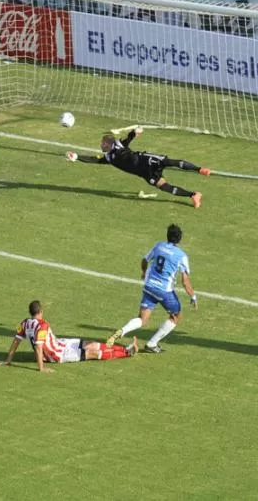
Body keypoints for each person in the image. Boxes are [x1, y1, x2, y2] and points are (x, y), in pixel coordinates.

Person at [105, 223, 198, 354]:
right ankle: (152, 344)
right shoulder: (181, 255)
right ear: (180, 239)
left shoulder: (159, 246)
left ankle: (122, 331)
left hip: (149, 287)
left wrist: (144, 273)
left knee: (142, 320)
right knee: (176, 315)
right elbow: (185, 281)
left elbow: (144, 260)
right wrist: (193, 296)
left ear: (167, 236)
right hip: (164, 291)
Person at [65, 128, 210, 208]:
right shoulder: (108, 158)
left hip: (146, 160)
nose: (103, 146)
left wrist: (135, 132)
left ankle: (199, 169)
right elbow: (93, 160)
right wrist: (77, 157)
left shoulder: (120, 145)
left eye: (105, 144)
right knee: (166, 187)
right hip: (145, 173)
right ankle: (194, 195)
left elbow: (128, 138)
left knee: (171, 162)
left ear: (110, 144)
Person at [0, 300, 138, 373]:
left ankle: (126, 348)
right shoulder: (42, 325)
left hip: (61, 344)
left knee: (90, 343)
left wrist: (8, 360)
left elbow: (16, 341)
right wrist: (41, 368)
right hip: (58, 354)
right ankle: (128, 351)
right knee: (92, 353)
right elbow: (39, 348)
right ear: (41, 311)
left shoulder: (24, 323)